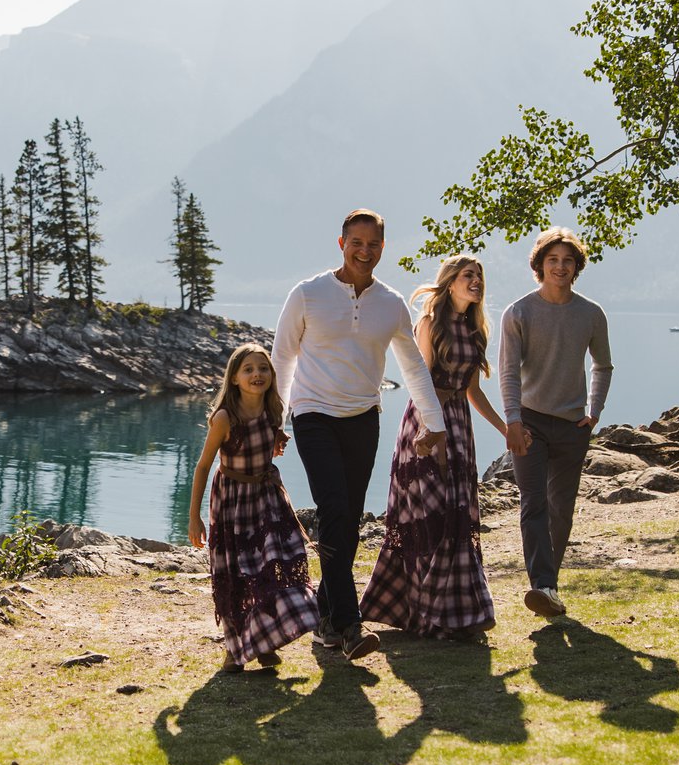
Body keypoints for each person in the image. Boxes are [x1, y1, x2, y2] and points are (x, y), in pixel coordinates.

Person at [272, 209, 446, 660]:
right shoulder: (308, 294)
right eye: (356, 243)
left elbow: (413, 367)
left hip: (363, 418)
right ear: (341, 243)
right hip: (312, 416)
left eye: (373, 245)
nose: (364, 251)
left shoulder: (390, 303)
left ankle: (324, 615)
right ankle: (350, 626)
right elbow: (282, 359)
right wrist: (273, 422)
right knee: (333, 510)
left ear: (383, 249)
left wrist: (436, 424)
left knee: (347, 519)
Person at [359, 254, 508, 640]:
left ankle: (459, 614)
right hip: (426, 424)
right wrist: (431, 431)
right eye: (467, 275)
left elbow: (472, 390)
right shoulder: (430, 324)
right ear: (450, 282)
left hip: (459, 425)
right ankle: (427, 615)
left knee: (456, 516)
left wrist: (504, 429)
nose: (475, 280)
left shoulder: (476, 332)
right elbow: (417, 379)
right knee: (427, 517)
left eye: (479, 275)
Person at [187, 343, 322, 672]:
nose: (256, 374)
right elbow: (204, 466)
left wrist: (279, 436)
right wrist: (194, 518)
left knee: (280, 565)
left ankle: (266, 641)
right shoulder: (224, 418)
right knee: (238, 575)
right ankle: (235, 651)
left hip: (268, 500)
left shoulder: (273, 410)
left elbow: (272, 435)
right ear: (233, 378)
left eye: (263, 368)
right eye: (248, 369)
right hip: (233, 504)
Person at [499, 226, 612, 621]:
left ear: (576, 267)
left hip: (571, 425)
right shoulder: (519, 312)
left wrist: (594, 410)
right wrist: (512, 420)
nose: (560, 267)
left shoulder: (591, 313)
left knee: (561, 507)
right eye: (553, 261)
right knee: (533, 504)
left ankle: (550, 585)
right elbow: (508, 372)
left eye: (567, 261)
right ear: (540, 265)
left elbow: (602, 365)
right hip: (529, 421)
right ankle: (542, 585)